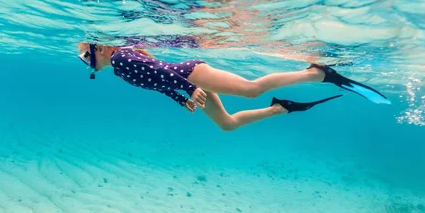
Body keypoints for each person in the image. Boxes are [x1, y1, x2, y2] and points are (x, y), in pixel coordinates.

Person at [77, 43, 390, 131]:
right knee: (226, 125)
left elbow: (160, 69)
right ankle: (281, 108)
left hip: (190, 74)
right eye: (84, 61)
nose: (88, 63)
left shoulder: (121, 59)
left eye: (88, 56)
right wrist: (179, 97)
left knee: (250, 88)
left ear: (101, 48)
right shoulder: (118, 69)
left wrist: (187, 87)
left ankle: (316, 74)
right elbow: (157, 81)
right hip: (187, 84)